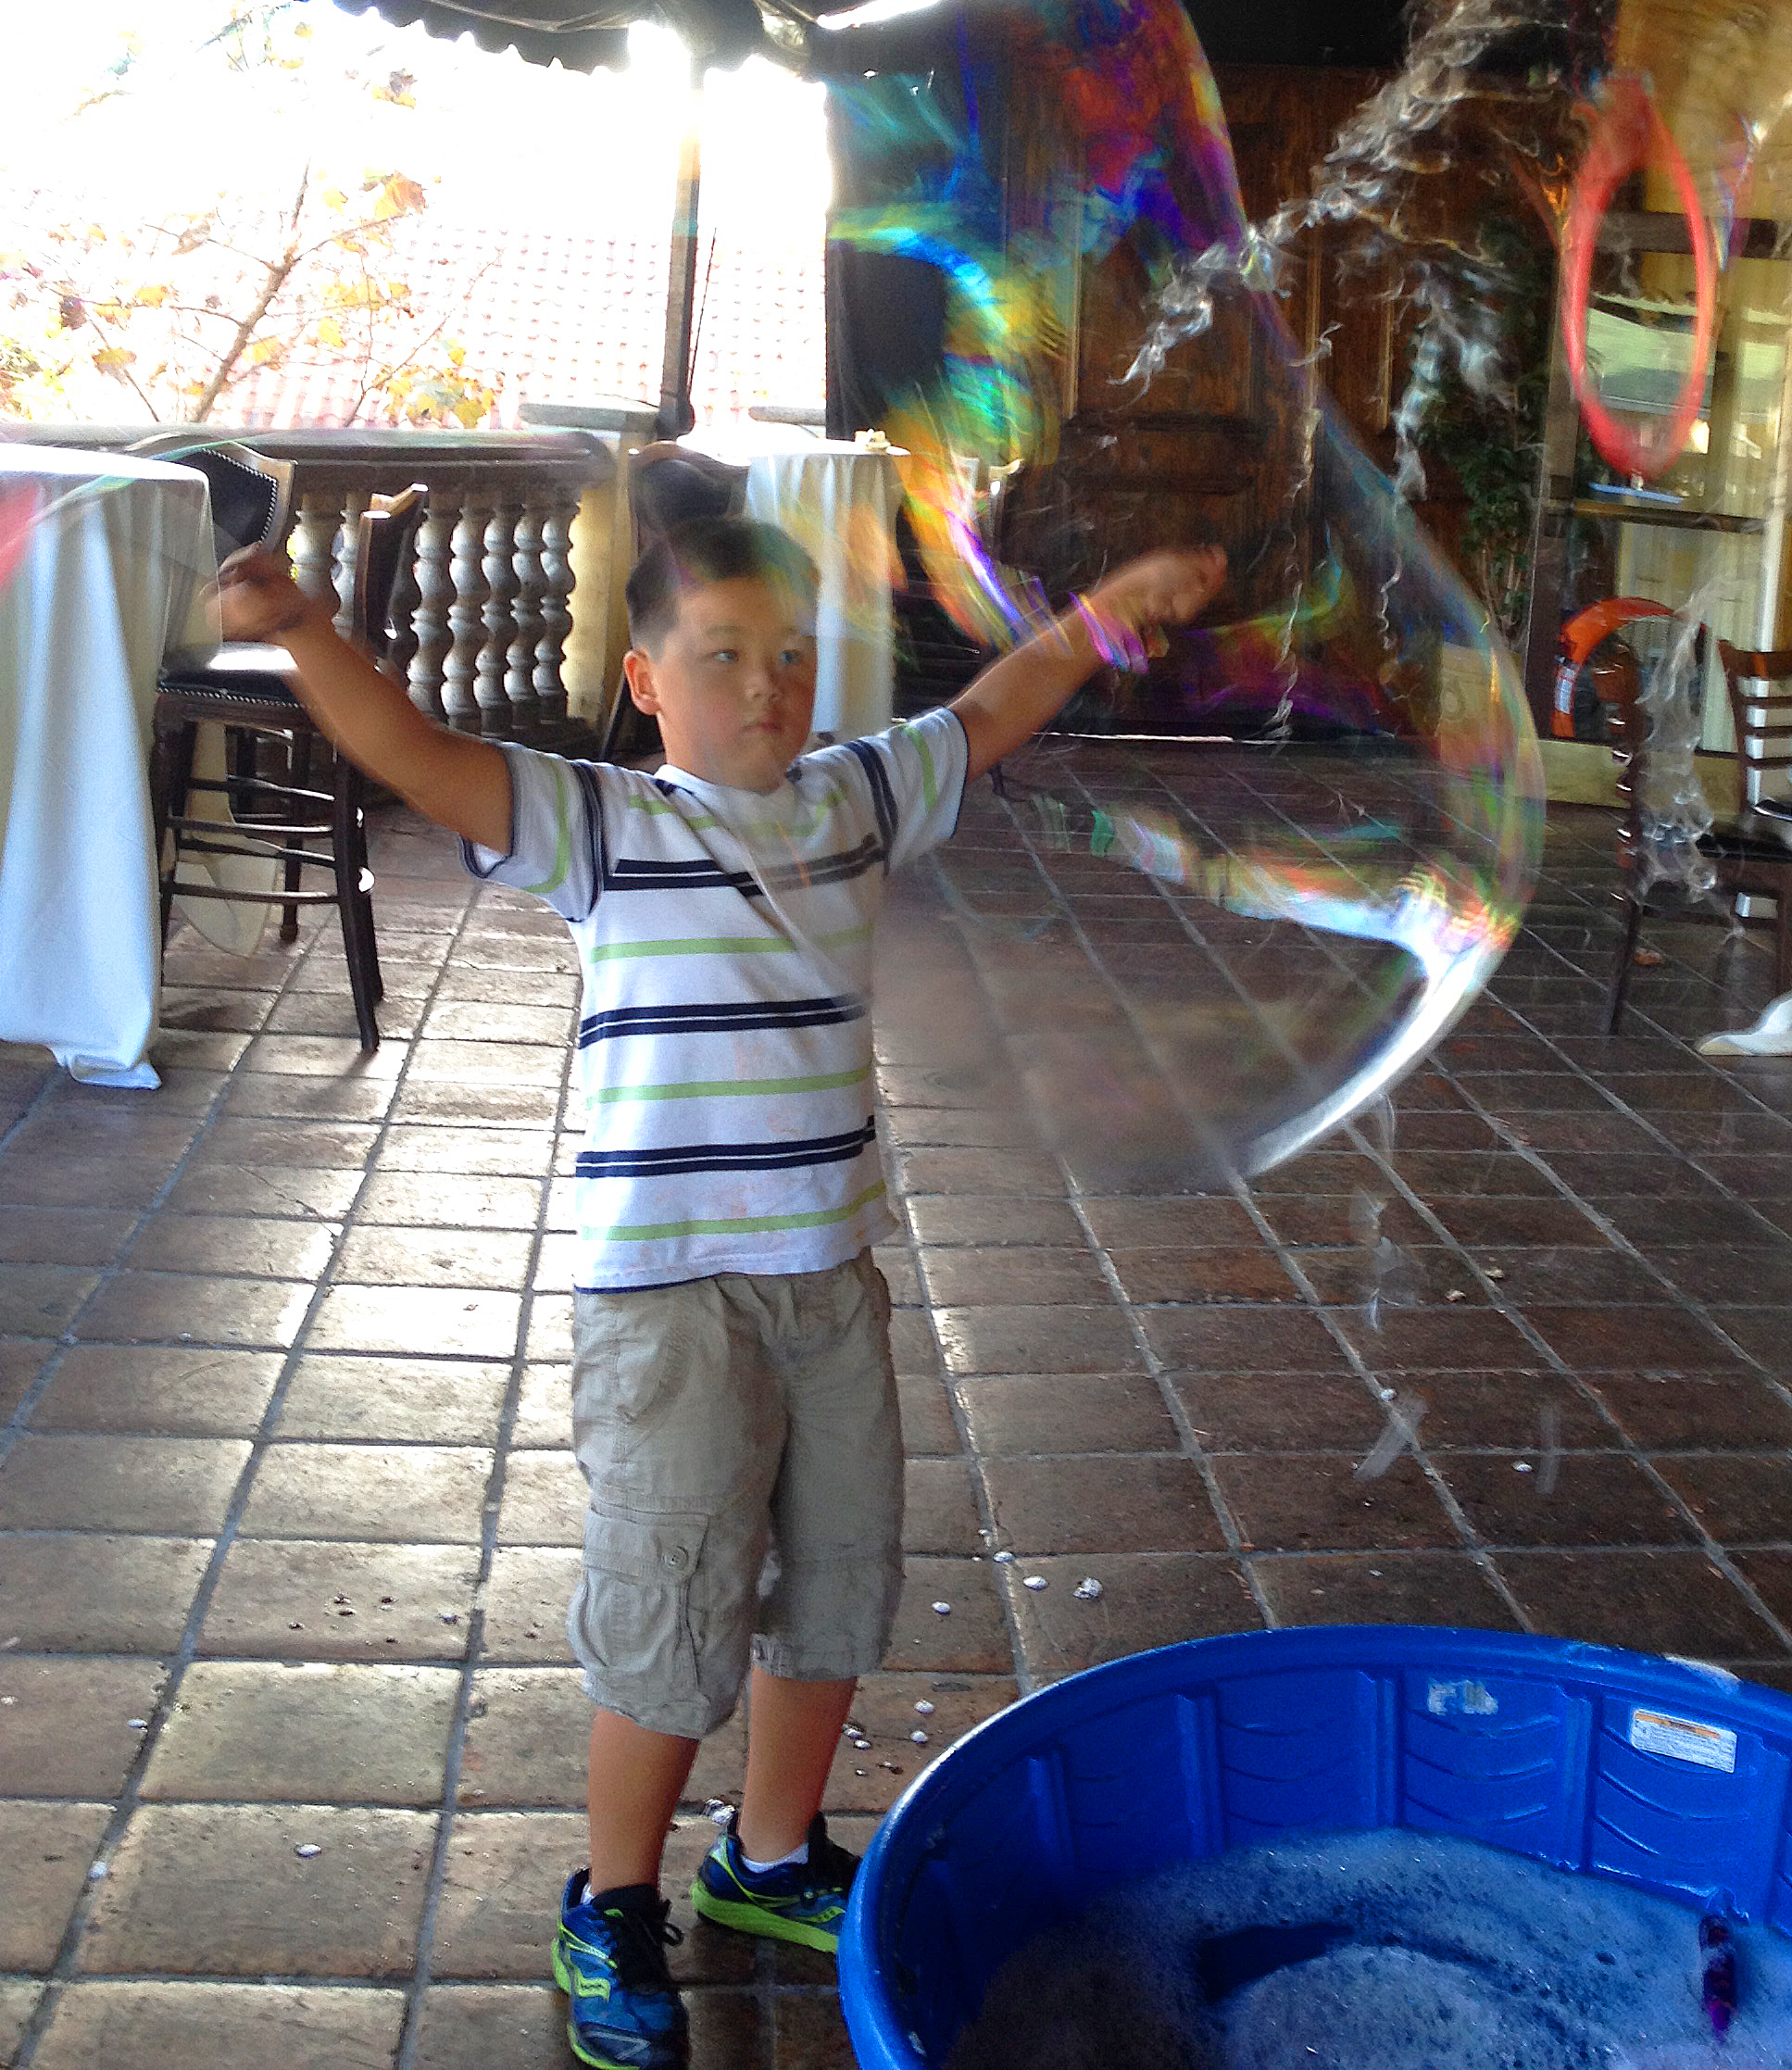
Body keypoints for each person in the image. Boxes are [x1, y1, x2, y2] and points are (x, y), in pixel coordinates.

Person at [216, 512, 1225, 2070]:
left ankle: (766, 1856)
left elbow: (993, 709)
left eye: (792, 657)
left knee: (834, 1585)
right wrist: (300, 629)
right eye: (723, 657)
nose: (766, 687)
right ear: (648, 680)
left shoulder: (859, 802)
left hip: (830, 1281)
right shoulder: (607, 826)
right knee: (675, 1602)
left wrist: (1104, 615)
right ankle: (610, 1900)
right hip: (673, 1306)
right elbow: (416, 754)